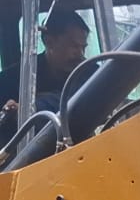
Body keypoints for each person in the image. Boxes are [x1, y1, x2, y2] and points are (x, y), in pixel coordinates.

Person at [0, 9, 90, 139]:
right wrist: (12, 111)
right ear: (49, 42)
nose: (81, 54)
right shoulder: (17, 77)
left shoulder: (88, 71)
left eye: (83, 47)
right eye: (74, 46)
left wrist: (28, 109)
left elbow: (77, 100)